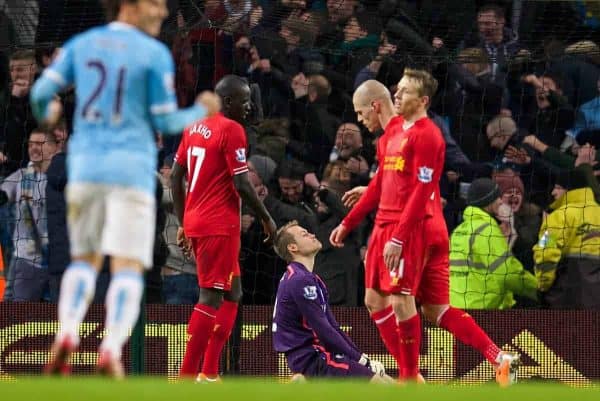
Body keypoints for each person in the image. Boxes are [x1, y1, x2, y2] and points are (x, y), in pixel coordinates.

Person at [30, 0, 220, 377]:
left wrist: (49, 113)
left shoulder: (83, 44)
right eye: (156, 5)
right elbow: (166, 119)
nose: (163, 13)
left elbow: (40, 94)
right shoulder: (152, 54)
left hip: (86, 167)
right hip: (130, 170)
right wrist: (202, 110)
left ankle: (67, 333)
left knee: (84, 261)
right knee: (127, 266)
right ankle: (111, 349)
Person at [330, 71, 519, 385]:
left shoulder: (427, 134)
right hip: (408, 225)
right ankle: (497, 357)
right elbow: (386, 181)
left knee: (398, 300)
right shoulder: (391, 134)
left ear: (422, 100)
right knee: (432, 309)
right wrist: (350, 220)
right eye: (397, 90)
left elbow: (421, 187)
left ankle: (408, 378)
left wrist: (398, 238)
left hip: (410, 227)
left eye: (403, 91)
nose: (398, 95)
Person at [171, 75, 277, 381]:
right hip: (220, 224)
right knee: (211, 297)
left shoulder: (194, 125)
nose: (248, 107)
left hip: (198, 219)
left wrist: (184, 221)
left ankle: (210, 372)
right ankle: (187, 376)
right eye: (244, 101)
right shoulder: (232, 129)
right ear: (228, 102)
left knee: (233, 292)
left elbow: (176, 177)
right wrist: (268, 218)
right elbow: (242, 182)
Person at [272, 220, 391, 383]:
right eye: (304, 234)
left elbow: (333, 326)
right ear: (293, 248)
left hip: (319, 355)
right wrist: (363, 361)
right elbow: (324, 330)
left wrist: (361, 358)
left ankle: (301, 385)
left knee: (386, 382)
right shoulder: (299, 280)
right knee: (384, 386)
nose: (312, 234)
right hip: (313, 358)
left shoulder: (311, 279)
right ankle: (302, 383)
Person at [449, 178, 538, 309]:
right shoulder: (487, 230)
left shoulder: (459, 230)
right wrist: (537, 289)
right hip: (482, 308)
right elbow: (506, 273)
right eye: (497, 197)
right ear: (488, 201)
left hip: (456, 306)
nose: (501, 201)